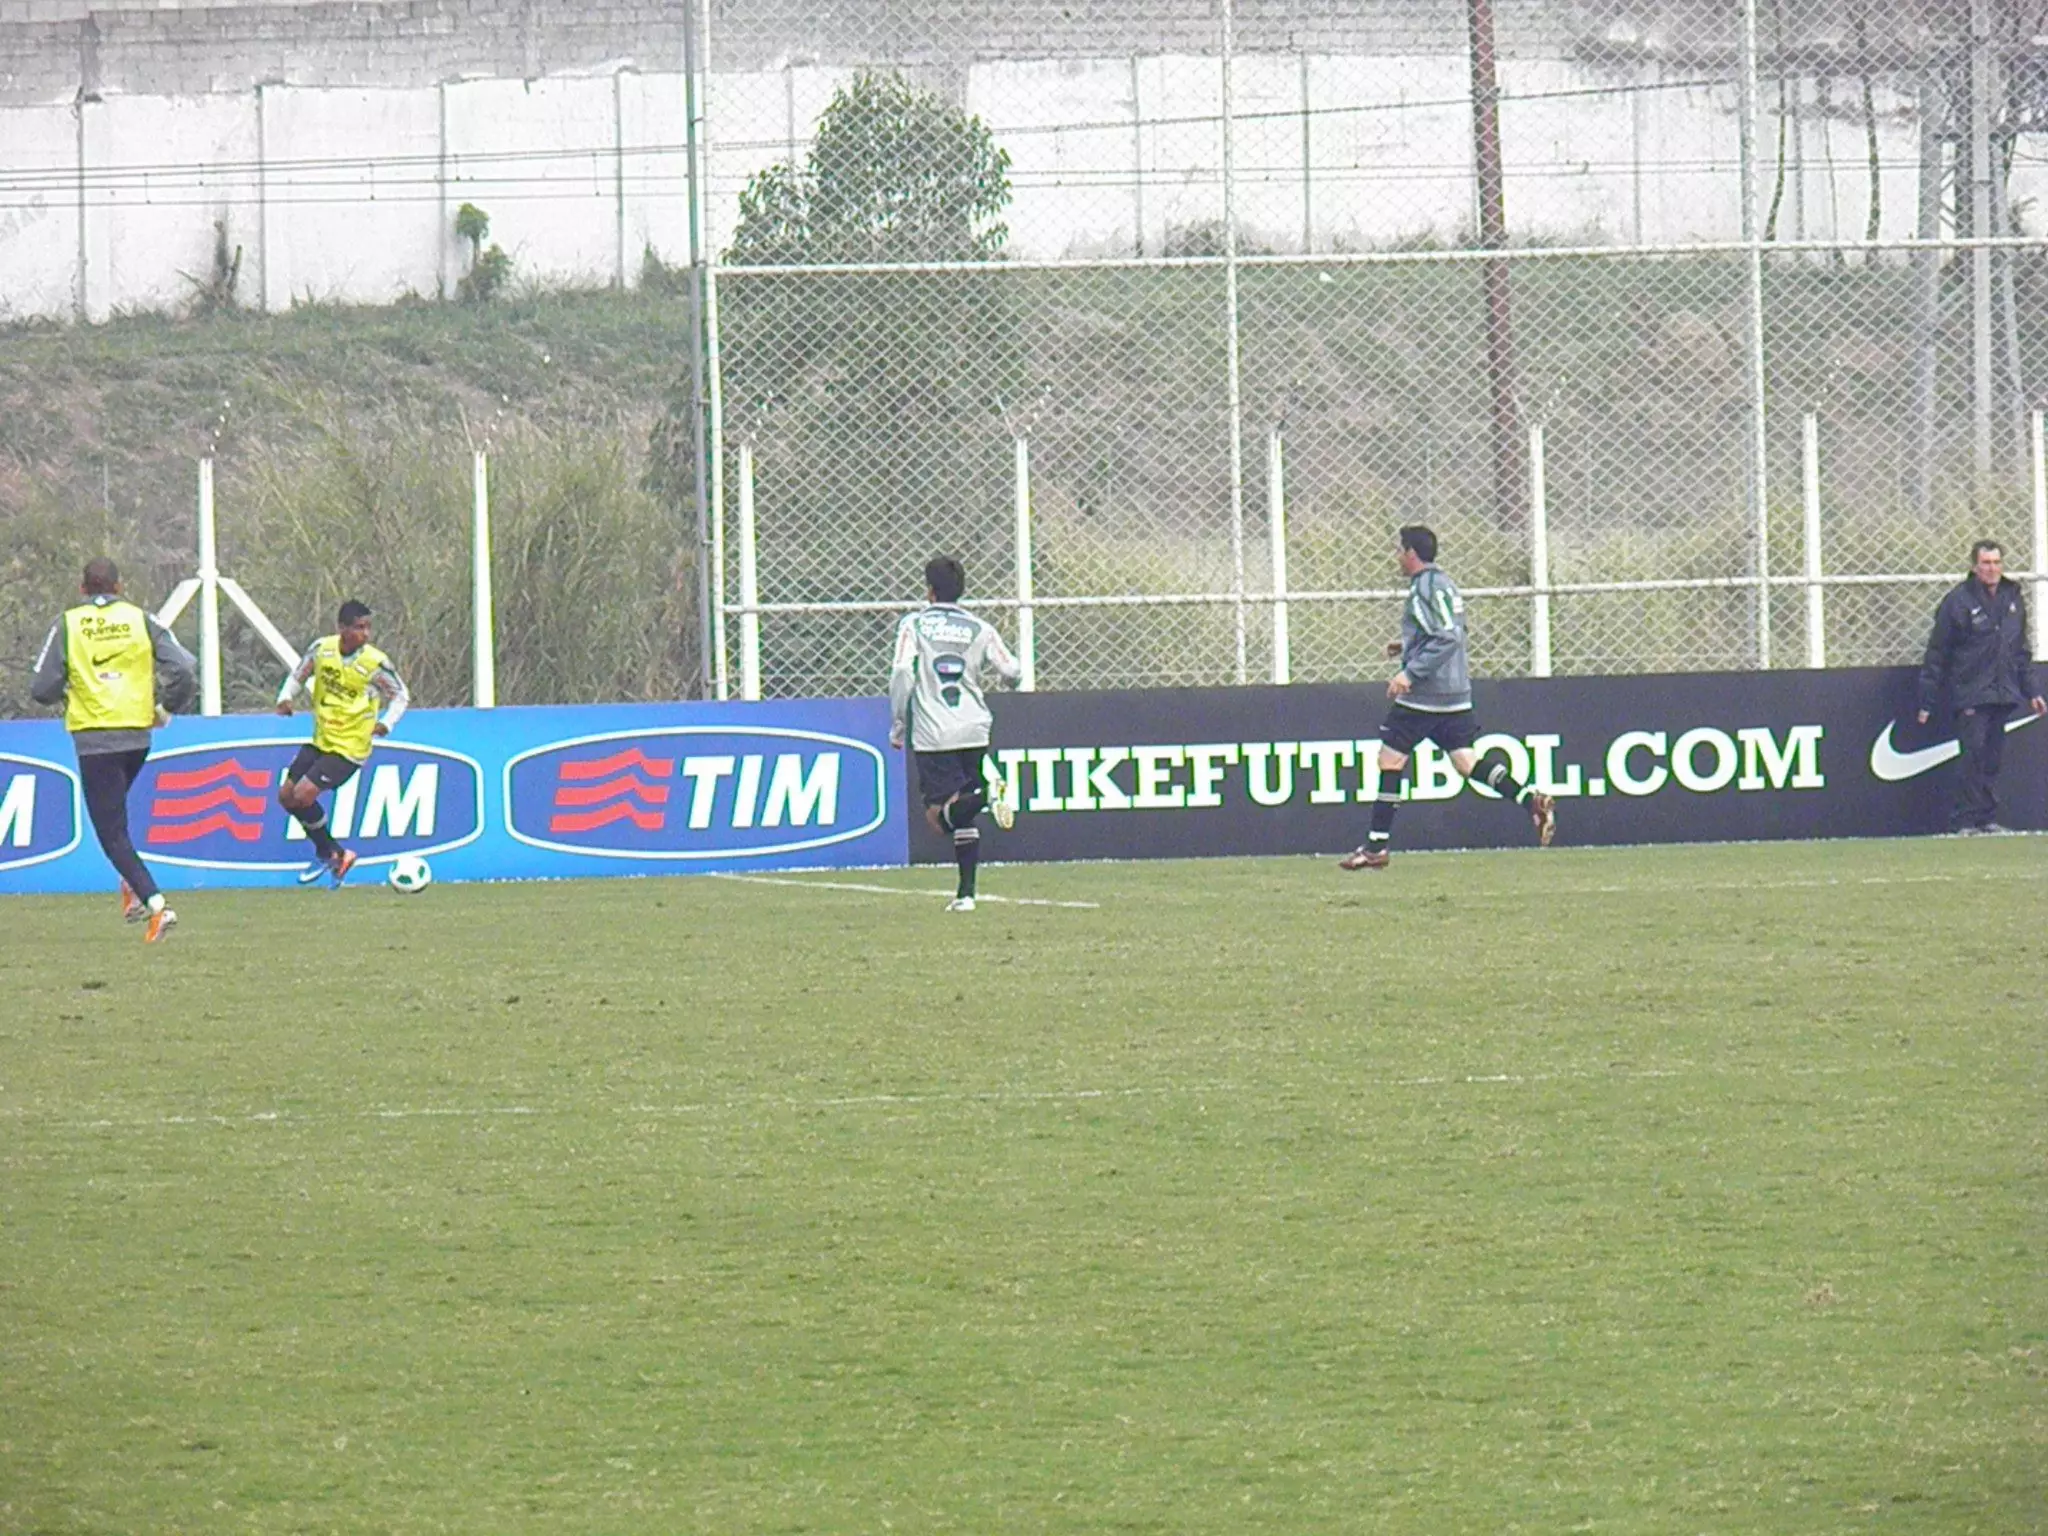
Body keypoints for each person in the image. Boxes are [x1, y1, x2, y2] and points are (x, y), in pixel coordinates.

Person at [1340, 525, 1556, 870]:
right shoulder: (1445, 584)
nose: (1397, 557)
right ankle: (1530, 800)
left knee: (1390, 760)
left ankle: (1376, 847)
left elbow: (1447, 637)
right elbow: (1450, 630)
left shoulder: (1422, 588)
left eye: (1399, 550)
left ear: (1411, 553)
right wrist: (1407, 646)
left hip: (1425, 696)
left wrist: (1410, 673)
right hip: (1456, 694)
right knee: (1466, 762)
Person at [28, 557, 198, 941]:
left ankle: (157, 906)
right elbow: (185, 668)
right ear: (119, 588)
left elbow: (41, 689)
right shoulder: (141, 619)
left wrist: (67, 689)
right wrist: (165, 708)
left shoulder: (68, 623)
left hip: (95, 739)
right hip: (137, 736)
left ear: (82, 588)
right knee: (116, 819)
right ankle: (131, 887)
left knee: (111, 833)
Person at [888, 555, 1022, 912]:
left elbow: (902, 672)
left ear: (929, 591)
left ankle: (989, 795)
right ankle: (966, 895)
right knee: (962, 812)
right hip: (975, 728)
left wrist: (898, 722)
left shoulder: (914, 625)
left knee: (937, 818)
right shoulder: (980, 628)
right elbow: (1012, 669)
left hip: (935, 732)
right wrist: (1009, 683)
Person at [274, 598, 410, 885]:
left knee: (304, 794)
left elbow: (400, 695)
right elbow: (299, 674)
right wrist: (285, 698)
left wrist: (387, 722)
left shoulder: (374, 663)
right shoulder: (322, 650)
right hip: (322, 739)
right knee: (286, 796)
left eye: (368, 627)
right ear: (342, 628)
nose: (366, 634)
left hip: (350, 747)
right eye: (359, 627)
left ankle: (331, 853)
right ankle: (334, 853)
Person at [1916, 540, 2046, 834]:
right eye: (1986, 563)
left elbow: (2020, 649)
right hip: (1971, 692)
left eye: (1997, 562)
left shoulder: (2013, 598)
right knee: (1971, 755)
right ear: (1975, 566)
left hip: (2003, 691)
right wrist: (1927, 700)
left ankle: (1986, 818)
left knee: (1992, 758)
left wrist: (2032, 691)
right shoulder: (1958, 601)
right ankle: (1964, 820)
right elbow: (1938, 652)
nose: (1992, 569)